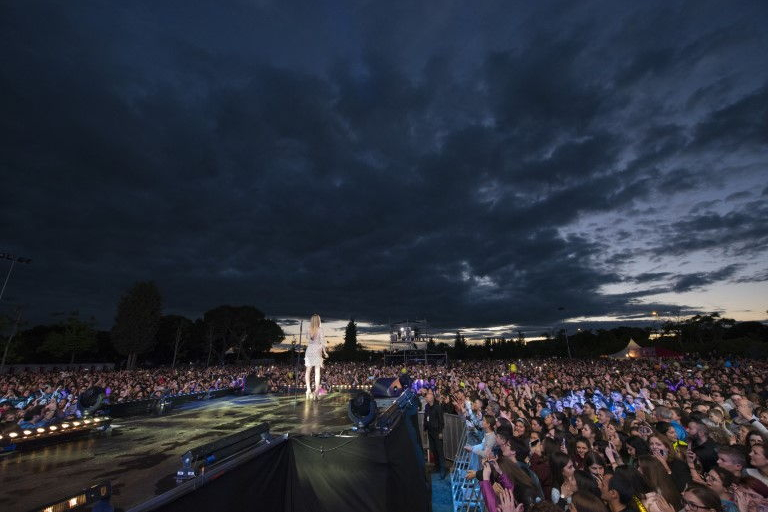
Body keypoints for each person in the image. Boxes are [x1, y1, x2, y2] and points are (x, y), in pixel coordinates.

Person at [424, 389, 447, 479]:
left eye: (427, 397)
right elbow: (425, 418)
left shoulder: (438, 407)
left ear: (432, 398)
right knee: (433, 450)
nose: (426, 398)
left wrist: (441, 432)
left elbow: (441, 421)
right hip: (430, 432)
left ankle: (443, 470)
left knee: (440, 451)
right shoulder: (426, 406)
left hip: (437, 432)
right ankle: (437, 467)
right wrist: (425, 429)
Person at [304, 314, 328, 400]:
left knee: (308, 370)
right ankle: (316, 391)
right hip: (317, 350)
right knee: (317, 371)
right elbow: (323, 342)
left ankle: (308, 390)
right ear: (318, 320)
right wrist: (325, 352)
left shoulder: (308, 329)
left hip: (309, 350)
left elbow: (307, 337)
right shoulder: (320, 329)